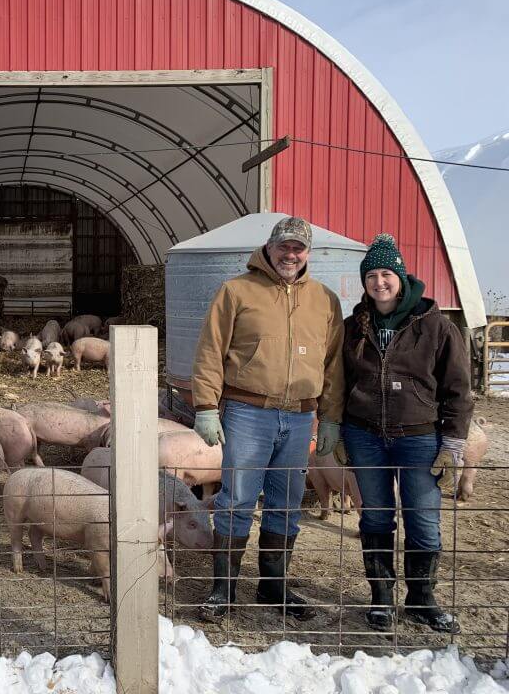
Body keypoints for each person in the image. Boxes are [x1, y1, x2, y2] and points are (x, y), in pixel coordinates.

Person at [191, 215, 345, 621]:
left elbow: (333, 367)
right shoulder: (237, 291)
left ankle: (272, 588)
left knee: (288, 504)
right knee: (236, 499)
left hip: (299, 418)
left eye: (299, 248)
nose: (290, 254)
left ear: (308, 253)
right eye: (285, 246)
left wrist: (330, 418)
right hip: (248, 412)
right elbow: (210, 350)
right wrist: (206, 406)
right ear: (270, 247)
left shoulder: (325, 300)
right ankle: (222, 590)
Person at [337, 233, 472, 633]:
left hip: (418, 437)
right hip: (364, 435)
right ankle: (381, 599)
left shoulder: (435, 326)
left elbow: (458, 388)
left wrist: (453, 444)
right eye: (372, 275)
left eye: (387, 274)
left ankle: (421, 599)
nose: (380, 282)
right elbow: (338, 383)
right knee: (375, 517)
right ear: (364, 281)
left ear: (401, 276)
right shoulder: (353, 327)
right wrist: (340, 431)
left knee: (423, 518)